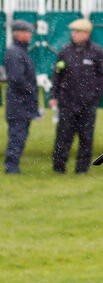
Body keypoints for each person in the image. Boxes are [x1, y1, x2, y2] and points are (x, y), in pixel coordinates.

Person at [48, 18, 103, 173]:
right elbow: (57, 75)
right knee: (63, 136)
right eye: (73, 31)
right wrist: (53, 95)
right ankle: (59, 168)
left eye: (77, 31)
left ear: (86, 34)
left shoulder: (96, 51)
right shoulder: (65, 51)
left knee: (86, 137)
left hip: (87, 103)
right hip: (67, 102)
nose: (74, 34)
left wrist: (95, 93)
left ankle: (82, 170)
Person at [3, 19, 40, 174]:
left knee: (20, 134)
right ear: (19, 34)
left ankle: (12, 165)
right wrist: (31, 90)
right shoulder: (15, 52)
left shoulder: (21, 51)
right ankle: (11, 167)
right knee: (17, 135)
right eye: (28, 32)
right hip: (19, 103)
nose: (30, 35)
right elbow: (16, 78)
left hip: (21, 102)